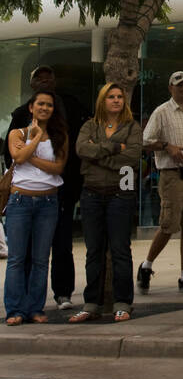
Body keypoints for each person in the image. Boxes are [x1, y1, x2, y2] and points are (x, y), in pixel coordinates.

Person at [4, 64, 86, 310]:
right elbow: (13, 158)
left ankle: (62, 293)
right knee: (23, 253)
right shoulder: (19, 116)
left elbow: (62, 162)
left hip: (60, 192)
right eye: (39, 78)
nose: (44, 81)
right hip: (23, 196)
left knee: (61, 245)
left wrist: (30, 157)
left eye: (48, 77)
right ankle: (21, 303)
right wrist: (32, 150)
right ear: (32, 97)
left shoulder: (70, 110)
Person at [69, 84, 142, 323]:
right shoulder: (90, 125)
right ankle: (92, 303)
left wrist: (97, 157)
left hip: (120, 194)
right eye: (111, 96)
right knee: (94, 251)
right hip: (91, 194)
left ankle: (123, 302)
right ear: (103, 100)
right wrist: (112, 149)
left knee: (120, 249)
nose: (116, 100)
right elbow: (81, 149)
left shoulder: (132, 127)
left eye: (120, 96)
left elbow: (130, 159)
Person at [138, 72, 183, 293]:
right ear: (171, 88)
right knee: (168, 224)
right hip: (172, 174)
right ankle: (147, 265)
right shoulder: (162, 112)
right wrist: (168, 147)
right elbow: (145, 140)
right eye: (179, 85)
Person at [4, 90, 68, 324]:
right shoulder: (16, 133)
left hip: (48, 202)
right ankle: (15, 310)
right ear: (31, 107)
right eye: (40, 104)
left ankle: (35, 308)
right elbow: (17, 158)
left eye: (49, 105)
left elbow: (58, 167)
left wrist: (28, 153)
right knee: (17, 259)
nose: (44, 108)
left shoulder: (60, 135)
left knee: (41, 259)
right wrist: (36, 135)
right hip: (20, 200)